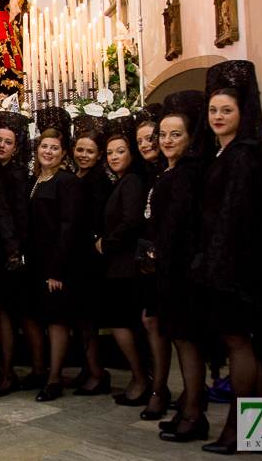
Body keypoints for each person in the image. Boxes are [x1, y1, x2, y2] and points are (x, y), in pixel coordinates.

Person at [195, 61, 262, 455]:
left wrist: (216, 266)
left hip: (235, 269)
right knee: (243, 346)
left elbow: (236, 218)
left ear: (242, 114)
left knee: (239, 345)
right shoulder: (223, 154)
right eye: (213, 110)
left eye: (226, 110)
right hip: (226, 266)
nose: (218, 116)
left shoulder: (243, 156)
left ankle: (237, 430)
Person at [143, 90, 211, 440]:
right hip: (169, 269)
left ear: (191, 136)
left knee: (187, 343)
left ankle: (194, 414)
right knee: (182, 342)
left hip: (182, 272)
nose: (167, 141)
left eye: (176, 135)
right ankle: (188, 407)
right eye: (163, 135)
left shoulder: (186, 173)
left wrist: (158, 252)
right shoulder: (170, 170)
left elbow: (180, 226)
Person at [27, 107, 82, 402]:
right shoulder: (35, 181)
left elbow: (69, 227)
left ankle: (55, 377)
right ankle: (40, 370)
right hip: (35, 264)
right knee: (38, 318)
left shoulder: (67, 182)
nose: (48, 151)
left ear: (64, 154)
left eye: (54, 148)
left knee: (57, 321)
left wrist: (56, 270)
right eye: (44, 146)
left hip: (56, 265)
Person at [97, 118, 152, 406]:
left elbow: (132, 222)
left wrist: (105, 243)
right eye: (110, 153)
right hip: (119, 266)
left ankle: (142, 378)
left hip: (125, 266)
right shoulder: (123, 181)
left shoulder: (132, 181)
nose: (115, 157)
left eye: (120, 151)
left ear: (130, 153)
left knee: (122, 324)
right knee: (123, 324)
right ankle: (140, 377)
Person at [0, 110, 32, 397]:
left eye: (8, 142)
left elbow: (21, 218)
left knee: (4, 315)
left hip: (8, 254)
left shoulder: (16, 176)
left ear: (16, 148)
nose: (2, 145)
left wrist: (15, 252)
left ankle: (7, 371)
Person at [69, 116, 113, 397]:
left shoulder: (98, 181)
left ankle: (97, 373)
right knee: (80, 319)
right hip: (77, 257)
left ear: (99, 156)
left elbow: (96, 221)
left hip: (90, 259)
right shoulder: (77, 176)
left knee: (88, 320)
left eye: (90, 152)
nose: (83, 155)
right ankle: (88, 368)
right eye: (80, 150)